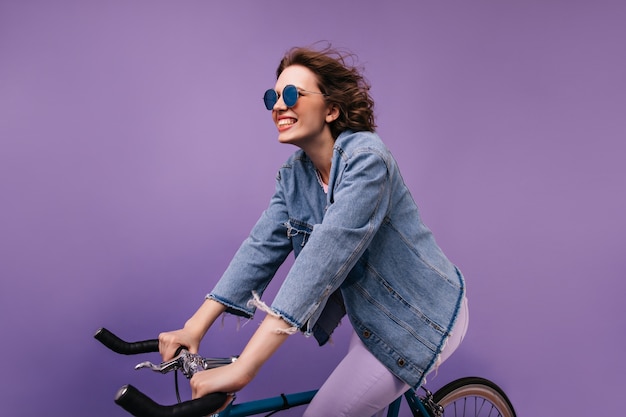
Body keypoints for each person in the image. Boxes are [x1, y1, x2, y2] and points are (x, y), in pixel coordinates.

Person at [159, 45, 469, 417]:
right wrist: (193, 328)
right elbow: (258, 252)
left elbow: (322, 260)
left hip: (420, 316)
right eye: (272, 97)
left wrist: (245, 368)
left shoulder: (368, 160)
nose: (278, 105)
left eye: (292, 94)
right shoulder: (295, 176)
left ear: (331, 109)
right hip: (372, 319)